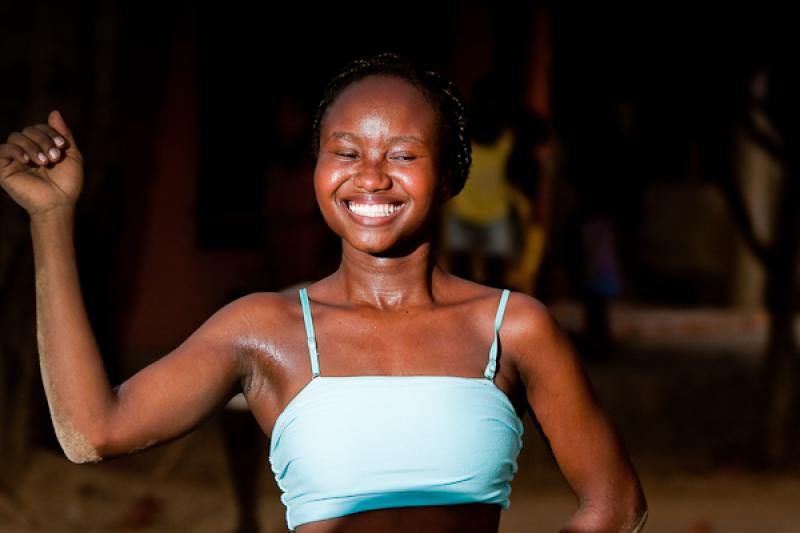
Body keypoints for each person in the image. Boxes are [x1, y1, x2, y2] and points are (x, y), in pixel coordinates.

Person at [0, 53, 647, 532]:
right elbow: (93, 430)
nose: (371, 177)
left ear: (448, 175)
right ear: (316, 167)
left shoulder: (513, 327)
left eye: (402, 153)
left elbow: (615, 505)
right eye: (345, 151)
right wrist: (51, 221)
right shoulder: (263, 327)